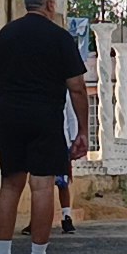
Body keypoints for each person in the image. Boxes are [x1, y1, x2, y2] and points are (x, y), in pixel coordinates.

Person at [0, 0, 90, 254]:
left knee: (9, 185)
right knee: (42, 187)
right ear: (50, 5)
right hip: (45, 118)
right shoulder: (60, 37)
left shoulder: (6, 34)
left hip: (10, 118)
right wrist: (83, 130)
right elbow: (77, 87)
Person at [54, 96, 80, 234]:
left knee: (63, 182)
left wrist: (73, 140)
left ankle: (66, 217)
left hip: (62, 143)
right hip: (39, 142)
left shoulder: (65, 92)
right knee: (39, 183)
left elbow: (71, 117)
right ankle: (35, 221)